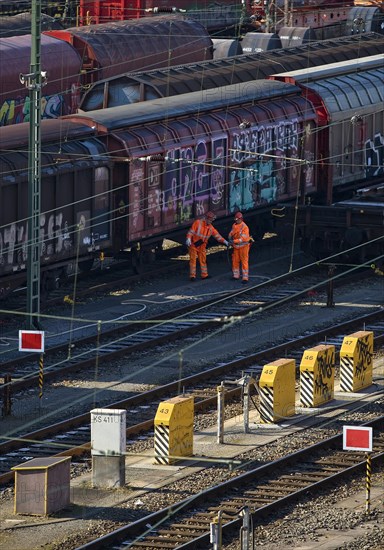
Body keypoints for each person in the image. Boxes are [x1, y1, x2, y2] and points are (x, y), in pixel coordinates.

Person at [186, 211, 228, 281]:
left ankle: (204, 275)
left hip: (202, 246)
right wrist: (188, 238)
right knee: (193, 261)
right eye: (210, 220)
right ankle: (192, 276)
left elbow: (217, 236)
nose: (211, 222)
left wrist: (225, 241)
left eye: (212, 220)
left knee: (203, 261)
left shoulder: (211, 228)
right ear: (206, 218)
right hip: (193, 245)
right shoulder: (198, 223)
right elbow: (191, 232)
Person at [228, 211, 252, 284]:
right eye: (235, 219)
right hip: (236, 247)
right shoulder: (234, 225)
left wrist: (233, 241)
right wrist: (229, 236)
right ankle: (236, 275)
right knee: (235, 261)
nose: (236, 220)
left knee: (244, 261)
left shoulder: (245, 227)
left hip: (244, 247)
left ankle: (245, 277)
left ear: (241, 219)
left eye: (237, 219)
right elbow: (232, 232)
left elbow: (243, 239)